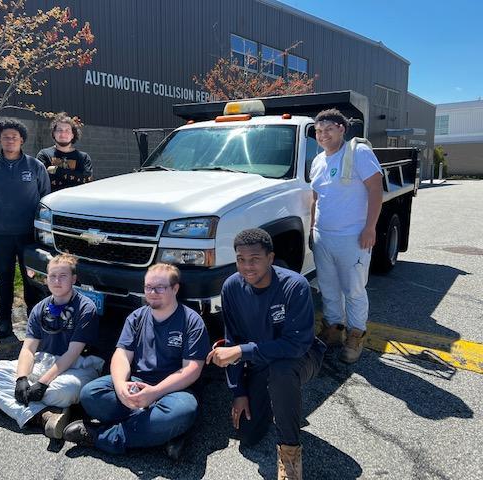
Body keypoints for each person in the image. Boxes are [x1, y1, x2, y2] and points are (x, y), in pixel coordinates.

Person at [207, 229, 325, 480]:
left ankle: (290, 453)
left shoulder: (295, 286)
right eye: (241, 259)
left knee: (281, 372)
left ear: (270, 258)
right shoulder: (232, 287)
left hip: (301, 357)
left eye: (254, 259)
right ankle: (278, 405)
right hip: (260, 359)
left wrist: (241, 351)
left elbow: (296, 344)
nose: (247, 266)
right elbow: (232, 341)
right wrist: (239, 392)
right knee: (248, 437)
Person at [62, 263, 210, 459]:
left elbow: (192, 369)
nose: (152, 292)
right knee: (90, 394)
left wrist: (155, 392)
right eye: (148, 287)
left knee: (183, 411)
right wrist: (121, 385)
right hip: (137, 383)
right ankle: (161, 432)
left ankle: (100, 436)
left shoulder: (192, 321)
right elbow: (121, 355)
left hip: (173, 392)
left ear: (175, 289)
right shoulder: (136, 317)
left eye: (160, 287)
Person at [0, 254, 103, 439]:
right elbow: (28, 349)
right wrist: (20, 379)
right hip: (44, 362)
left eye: (63, 276)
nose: (57, 281)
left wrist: (43, 383)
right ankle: (42, 415)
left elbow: (73, 353)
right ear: (46, 278)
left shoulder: (86, 307)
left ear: (74, 279)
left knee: (66, 390)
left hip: (77, 366)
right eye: (52, 276)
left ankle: (2, 399)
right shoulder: (39, 309)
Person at [309, 108, 383, 363]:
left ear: (342, 128)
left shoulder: (358, 152)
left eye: (328, 129)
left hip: (352, 237)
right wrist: (311, 229)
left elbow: (375, 190)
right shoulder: (318, 161)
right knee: (328, 288)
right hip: (323, 236)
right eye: (318, 131)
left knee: (353, 289)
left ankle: (355, 334)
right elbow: (316, 198)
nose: (323, 135)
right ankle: (334, 330)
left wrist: (370, 228)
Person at [0, 119, 51, 339]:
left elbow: (44, 195)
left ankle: (34, 318)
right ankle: (4, 321)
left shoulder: (35, 166)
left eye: (14, 137)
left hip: (29, 234)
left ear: (22, 140)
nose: (10, 140)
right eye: (6, 137)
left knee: (32, 277)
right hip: (1, 234)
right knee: (4, 277)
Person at [36, 112, 93, 192]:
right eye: (59, 130)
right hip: (50, 201)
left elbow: (87, 180)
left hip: (75, 201)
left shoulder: (83, 157)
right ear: (54, 133)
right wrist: (75, 176)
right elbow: (40, 180)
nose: (63, 133)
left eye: (67, 130)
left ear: (73, 135)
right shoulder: (44, 155)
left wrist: (56, 170)